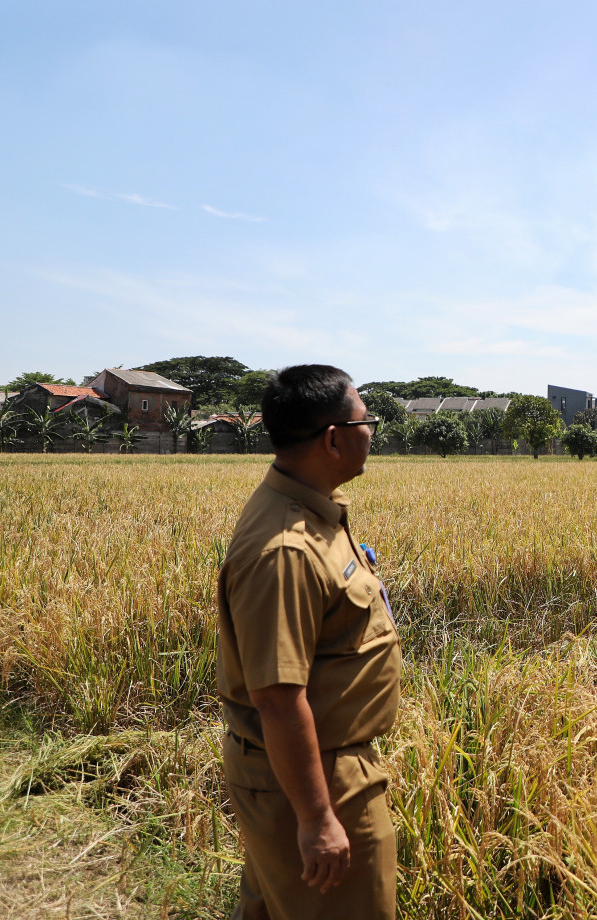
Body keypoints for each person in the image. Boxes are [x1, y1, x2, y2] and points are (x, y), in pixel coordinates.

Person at [216, 365, 400, 920]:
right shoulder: (286, 550)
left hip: (308, 771)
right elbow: (276, 695)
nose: (372, 431)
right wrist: (318, 819)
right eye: (367, 420)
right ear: (333, 438)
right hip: (314, 779)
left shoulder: (313, 511)